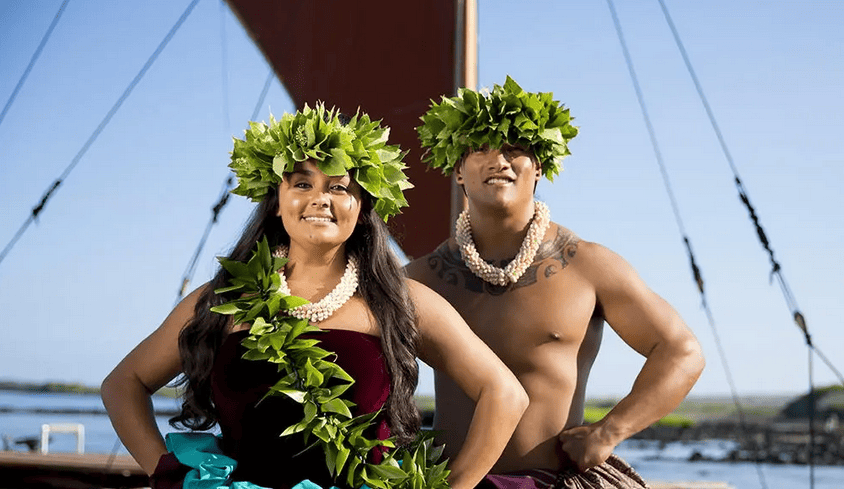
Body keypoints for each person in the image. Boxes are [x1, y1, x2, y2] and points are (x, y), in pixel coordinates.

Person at [101, 104, 528, 489]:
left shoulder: (400, 300)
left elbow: (505, 395)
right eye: (302, 183)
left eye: (339, 187)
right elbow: (124, 384)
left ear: (361, 207)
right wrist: (169, 474)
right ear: (276, 202)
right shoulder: (224, 298)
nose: (320, 199)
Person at [407, 77, 706, 488]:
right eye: (481, 149)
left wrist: (609, 432)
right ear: (459, 170)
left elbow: (682, 351)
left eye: (515, 149)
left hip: (555, 481)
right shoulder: (419, 278)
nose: (499, 160)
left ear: (539, 167)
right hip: (450, 481)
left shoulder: (590, 265)